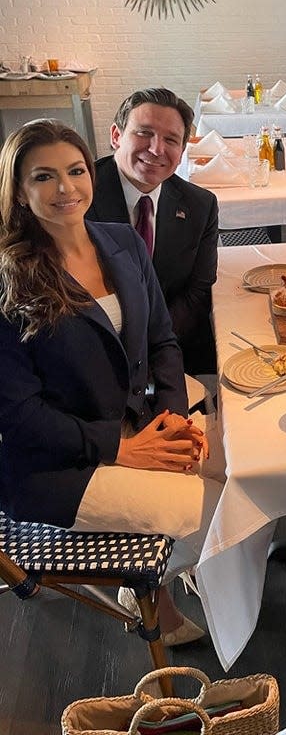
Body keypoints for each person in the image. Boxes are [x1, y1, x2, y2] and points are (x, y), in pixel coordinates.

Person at [0, 119, 223, 644]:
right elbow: (17, 416)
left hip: (138, 414)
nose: (65, 189)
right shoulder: (11, 279)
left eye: (75, 170)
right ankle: (156, 587)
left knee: (244, 471)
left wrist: (170, 416)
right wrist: (124, 450)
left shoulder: (120, 241)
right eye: (43, 177)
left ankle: (168, 573)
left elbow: (164, 342)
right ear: (18, 191)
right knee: (218, 510)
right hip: (60, 464)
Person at [86, 87, 219, 376]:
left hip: (173, 345)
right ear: (116, 136)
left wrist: (153, 346)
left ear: (182, 151)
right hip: (95, 355)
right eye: (144, 133)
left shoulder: (201, 205)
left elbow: (198, 290)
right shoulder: (81, 198)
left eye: (171, 140)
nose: (157, 149)